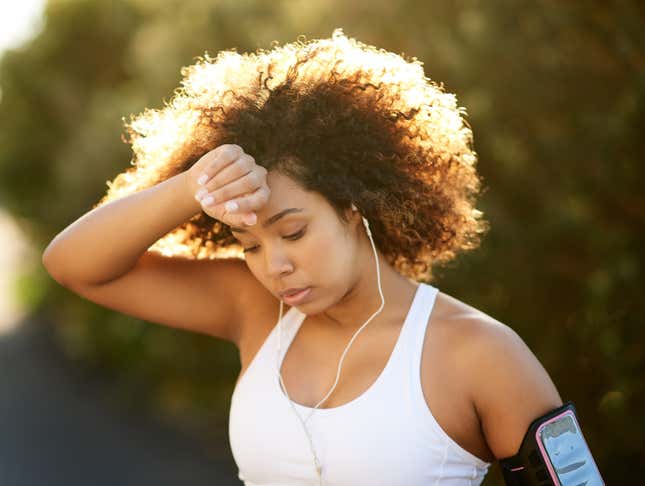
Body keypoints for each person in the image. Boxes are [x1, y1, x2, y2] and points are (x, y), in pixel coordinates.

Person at [43, 29, 563, 485]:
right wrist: (193, 186)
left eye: (292, 231)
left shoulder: (481, 353)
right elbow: (72, 265)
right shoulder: (257, 312)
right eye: (249, 245)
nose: (274, 265)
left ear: (353, 207)